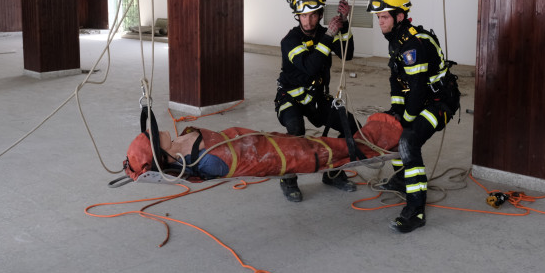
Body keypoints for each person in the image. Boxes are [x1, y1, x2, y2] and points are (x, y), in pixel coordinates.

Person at [366, 0, 460, 234]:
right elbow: (398, 82)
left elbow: (417, 92)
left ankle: (416, 210)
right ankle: (401, 178)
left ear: (399, 16)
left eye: (384, 17)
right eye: (378, 18)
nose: (380, 23)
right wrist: (396, 111)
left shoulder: (413, 45)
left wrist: (404, 120)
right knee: (389, 125)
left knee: (407, 140)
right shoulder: (396, 40)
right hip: (420, 99)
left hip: (439, 102)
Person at [123, 113, 403, 182]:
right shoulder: (202, 162)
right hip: (270, 156)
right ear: (161, 155)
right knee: (325, 151)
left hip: (260, 141)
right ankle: (384, 136)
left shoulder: (180, 144)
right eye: (152, 136)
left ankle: (376, 135)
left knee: (317, 143)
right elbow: (241, 163)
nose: (156, 130)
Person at [273, 0, 357, 202]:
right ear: (297, 16)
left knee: (352, 128)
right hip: (290, 98)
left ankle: (333, 173)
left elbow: (348, 54)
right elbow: (310, 67)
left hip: (318, 99)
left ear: (320, 15)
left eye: (312, 15)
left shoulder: (323, 33)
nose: (308, 21)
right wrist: (329, 35)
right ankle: (288, 179)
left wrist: (345, 22)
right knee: (296, 131)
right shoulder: (289, 41)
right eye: (303, 16)